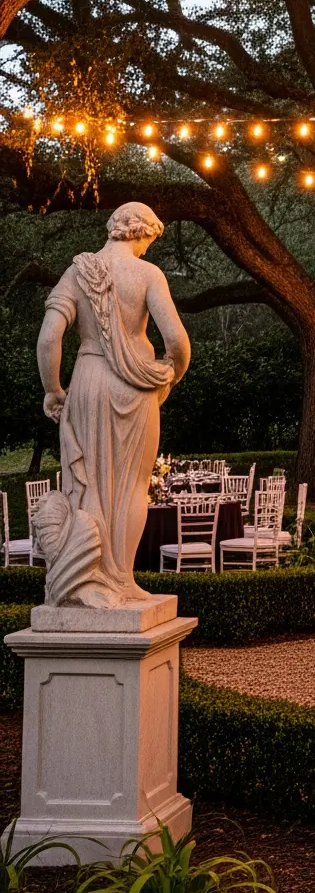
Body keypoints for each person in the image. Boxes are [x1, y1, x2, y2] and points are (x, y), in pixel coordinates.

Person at [35, 203, 190, 607]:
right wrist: (170, 372)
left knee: (90, 488)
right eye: (148, 243)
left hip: (88, 381)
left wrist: (53, 388)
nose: (147, 251)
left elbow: (50, 336)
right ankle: (121, 579)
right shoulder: (147, 275)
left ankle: (86, 575)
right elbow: (178, 341)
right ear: (141, 234)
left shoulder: (77, 271)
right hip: (136, 384)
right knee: (134, 487)